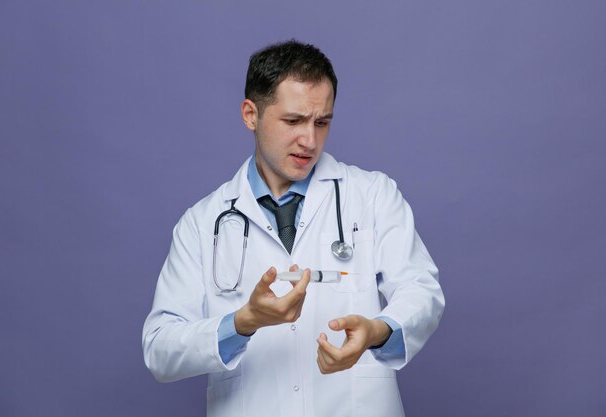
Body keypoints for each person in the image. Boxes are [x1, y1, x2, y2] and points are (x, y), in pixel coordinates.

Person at [142, 40, 444, 417]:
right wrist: (242, 322)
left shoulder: (372, 195)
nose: (310, 141)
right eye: (293, 121)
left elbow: (422, 291)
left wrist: (378, 330)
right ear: (250, 114)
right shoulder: (202, 223)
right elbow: (159, 349)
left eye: (322, 122)